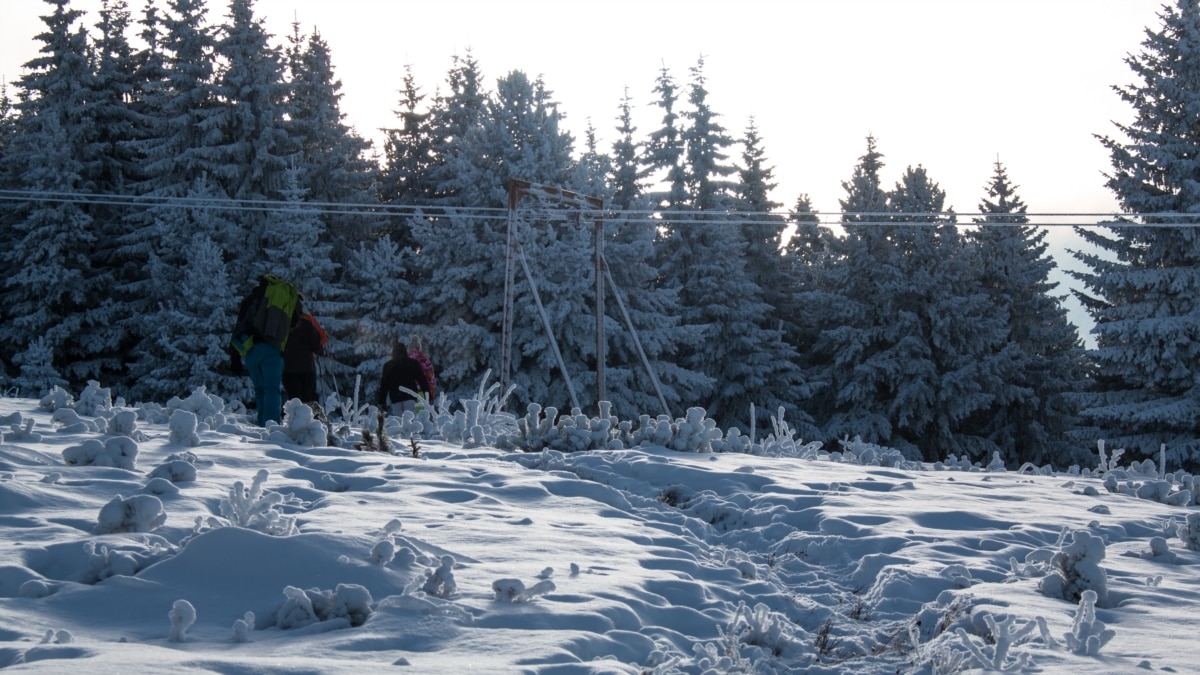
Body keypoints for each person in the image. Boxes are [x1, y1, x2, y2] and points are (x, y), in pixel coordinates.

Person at [230, 274, 298, 426]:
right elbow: (293, 321)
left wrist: (234, 356)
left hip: (250, 350)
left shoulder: (250, 299)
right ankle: (271, 426)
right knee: (272, 389)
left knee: (260, 390)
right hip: (271, 348)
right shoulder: (281, 293)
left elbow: (239, 326)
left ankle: (262, 424)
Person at [283, 302, 328, 405]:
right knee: (309, 397)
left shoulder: (282, 322)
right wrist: (321, 351)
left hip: (288, 367)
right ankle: (311, 420)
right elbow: (316, 343)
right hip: (307, 367)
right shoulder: (307, 321)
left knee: (293, 397)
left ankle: (294, 419)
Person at [377, 340, 430, 416]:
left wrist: (382, 402)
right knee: (410, 419)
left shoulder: (388, 365)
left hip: (395, 397)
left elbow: (384, 386)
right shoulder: (413, 363)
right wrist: (427, 394)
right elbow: (422, 379)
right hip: (410, 396)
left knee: (398, 421)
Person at [407, 335, 437, 402]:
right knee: (420, 411)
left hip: (406, 392)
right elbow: (431, 378)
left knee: (408, 412)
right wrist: (432, 392)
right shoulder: (425, 360)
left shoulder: (403, 361)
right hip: (422, 391)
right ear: (419, 348)